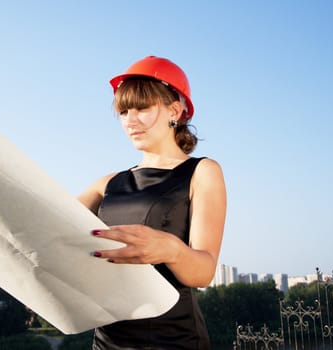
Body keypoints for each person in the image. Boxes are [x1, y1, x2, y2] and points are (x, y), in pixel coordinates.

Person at [78, 56, 227, 350]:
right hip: (107, 341)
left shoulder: (202, 172)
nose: (130, 121)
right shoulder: (107, 183)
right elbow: (49, 224)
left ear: (175, 110)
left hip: (172, 341)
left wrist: (171, 249)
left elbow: (204, 272)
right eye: (123, 111)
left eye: (142, 108)